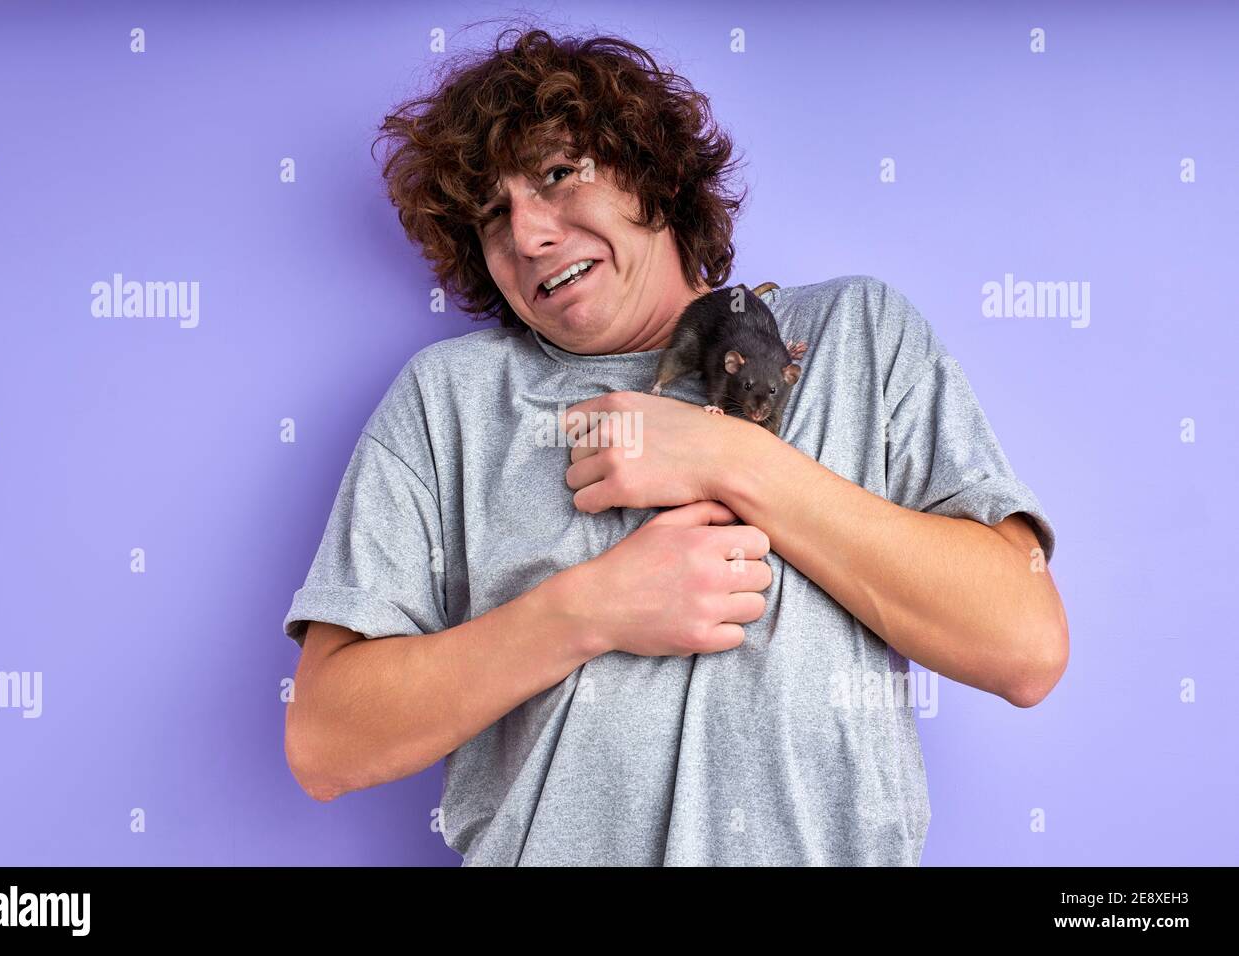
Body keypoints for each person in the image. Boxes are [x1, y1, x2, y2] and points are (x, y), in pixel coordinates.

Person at [281, 28, 1069, 866]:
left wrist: (734, 460)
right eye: (492, 217)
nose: (530, 235)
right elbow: (326, 743)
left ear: (652, 173)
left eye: (557, 175)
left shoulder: (855, 335)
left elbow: (1025, 647)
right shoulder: (449, 401)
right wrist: (590, 610)